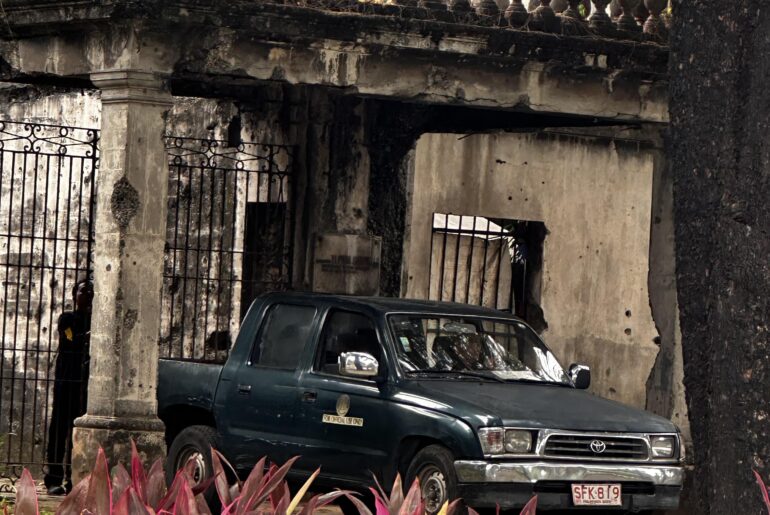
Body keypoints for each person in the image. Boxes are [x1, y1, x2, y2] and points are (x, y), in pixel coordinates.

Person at [44, 278, 93, 495]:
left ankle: (74, 479)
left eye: (90, 290)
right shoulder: (67, 319)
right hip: (66, 382)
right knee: (59, 431)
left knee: (79, 434)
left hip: (85, 386)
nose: (87, 294)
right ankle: (53, 478)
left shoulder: (96, 321)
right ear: (75, 295)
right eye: (83, 290)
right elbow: (71, 341)